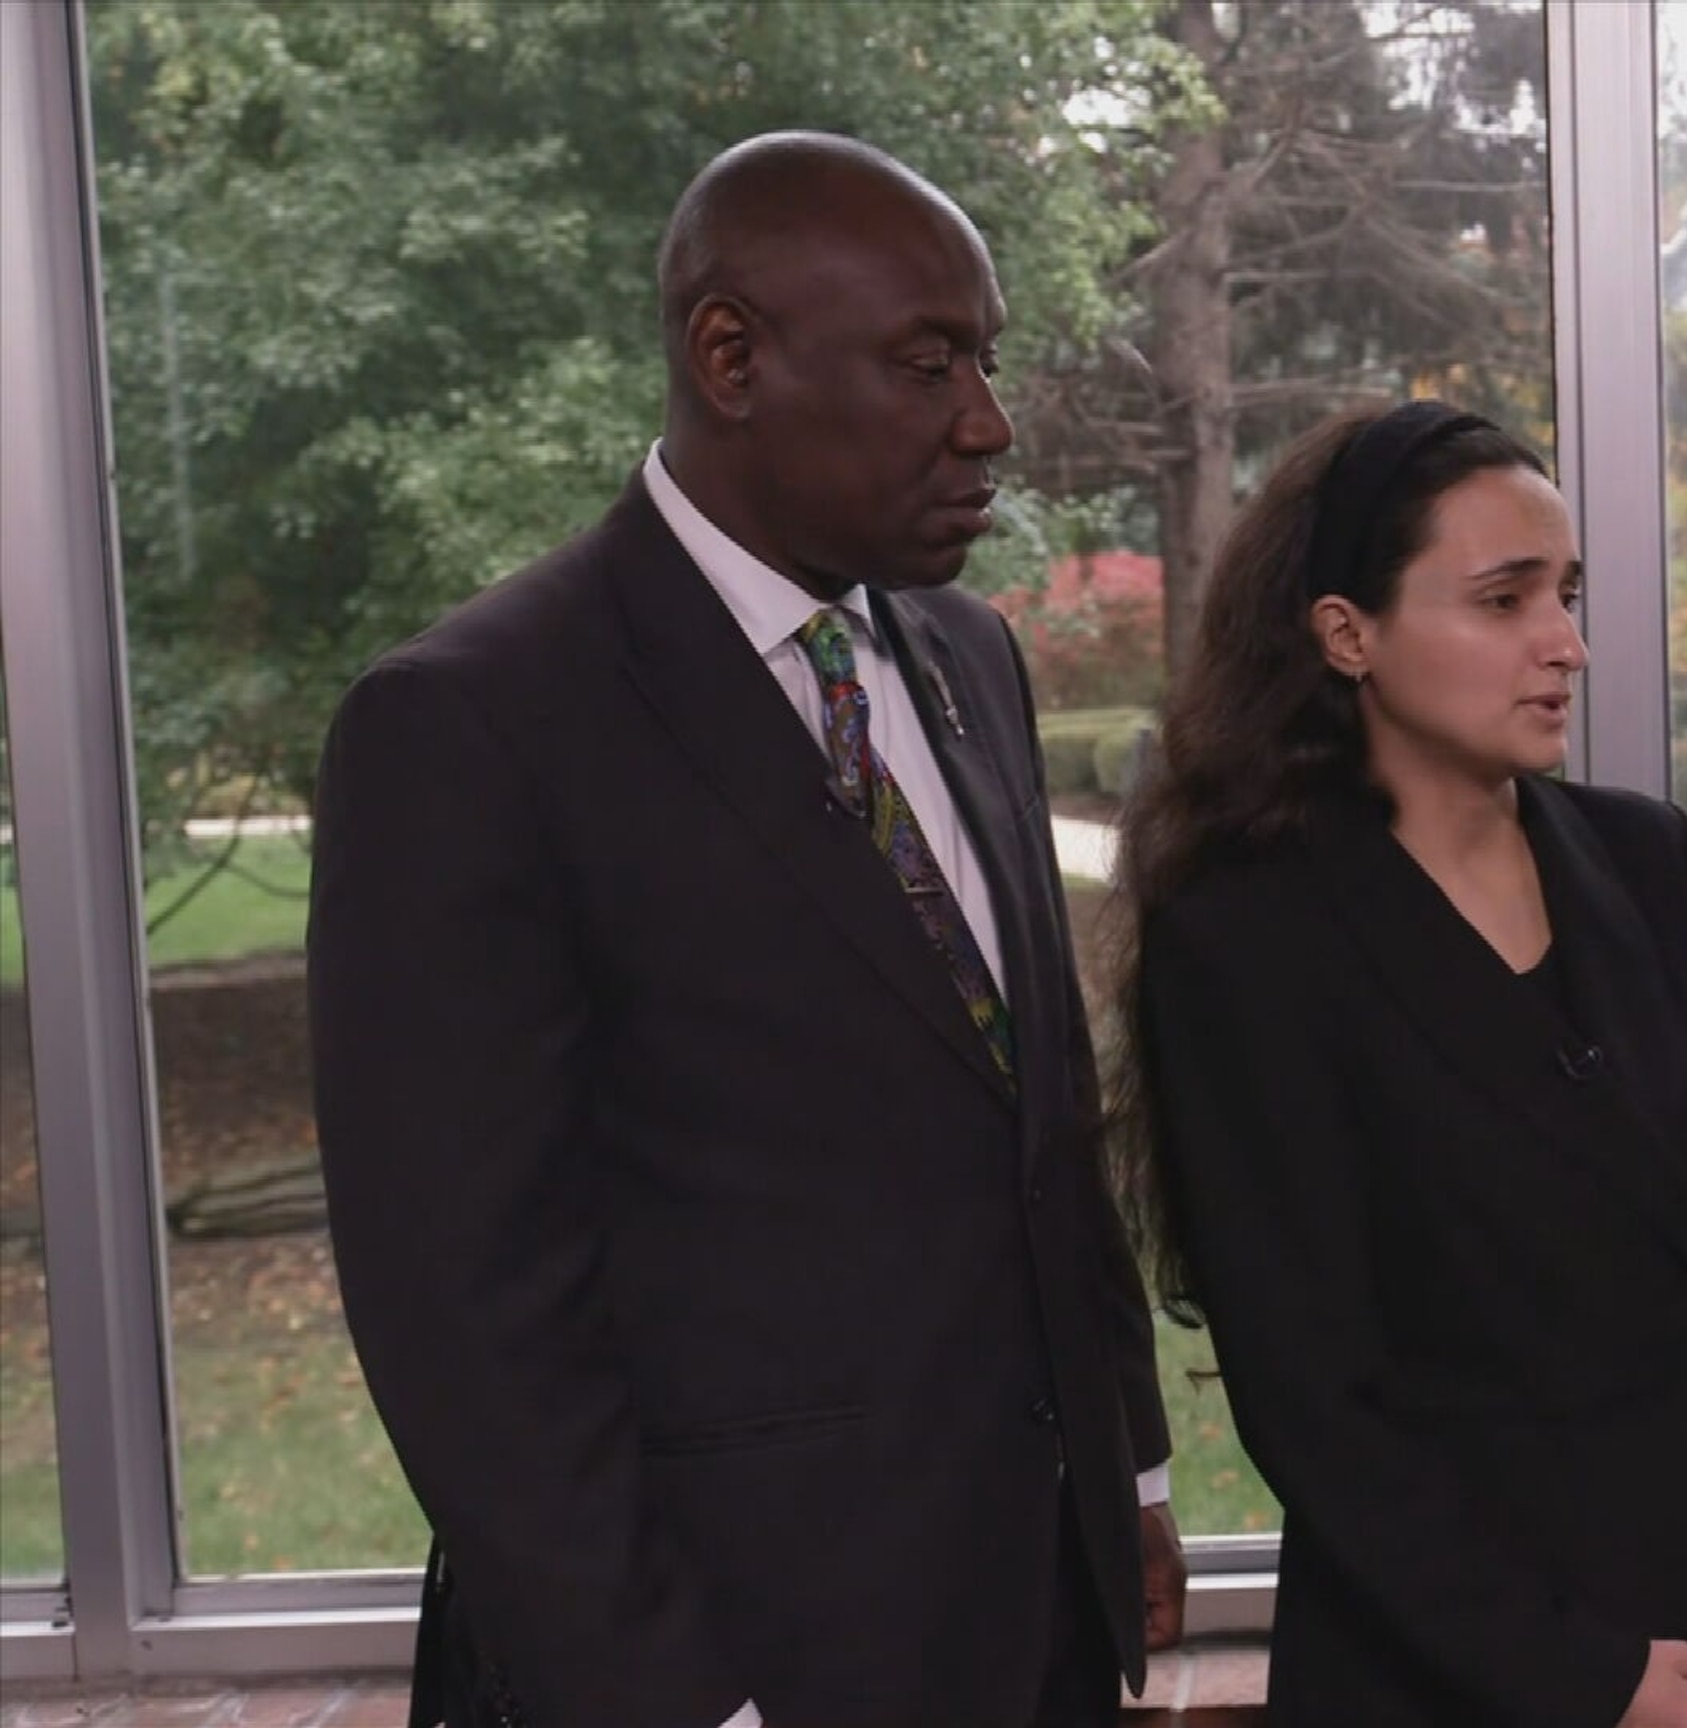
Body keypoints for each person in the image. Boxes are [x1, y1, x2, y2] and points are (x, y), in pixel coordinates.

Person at [307, 132, 1184, 1728]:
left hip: (1027, 1620)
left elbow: (1037, 1112)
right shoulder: (472, 727)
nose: (990, 423)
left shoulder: (969, 656)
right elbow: (469, 1317)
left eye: (984, 362)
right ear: (731, 357)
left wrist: (1125, 1470)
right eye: (931, 364)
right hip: (729, 1660)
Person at [1102, 400, 1687, 1728]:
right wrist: (1590, 1676)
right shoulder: (1242, 939)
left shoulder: (1650, 861)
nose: (1567, 645)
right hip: (1455, 1672)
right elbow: (1319, 1406)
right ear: (1347, 632)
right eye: (1505, 599)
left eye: (1568, 594)